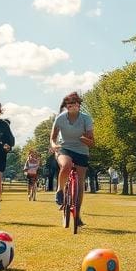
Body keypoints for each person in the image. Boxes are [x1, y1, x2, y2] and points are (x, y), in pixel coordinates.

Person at [50, 92, 94, 224]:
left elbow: (91, 140)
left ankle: (78, 215)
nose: (73, 107)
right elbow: (53, 138)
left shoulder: (86, 119)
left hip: (81, 150)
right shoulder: (60, 118)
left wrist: (85, 139)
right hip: (64, 148)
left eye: (75, 104)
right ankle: (60, 190)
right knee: (66, 165)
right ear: (66, 107)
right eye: (70, 105)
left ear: (79, 105)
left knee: (80, 184)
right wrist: (54, 145)